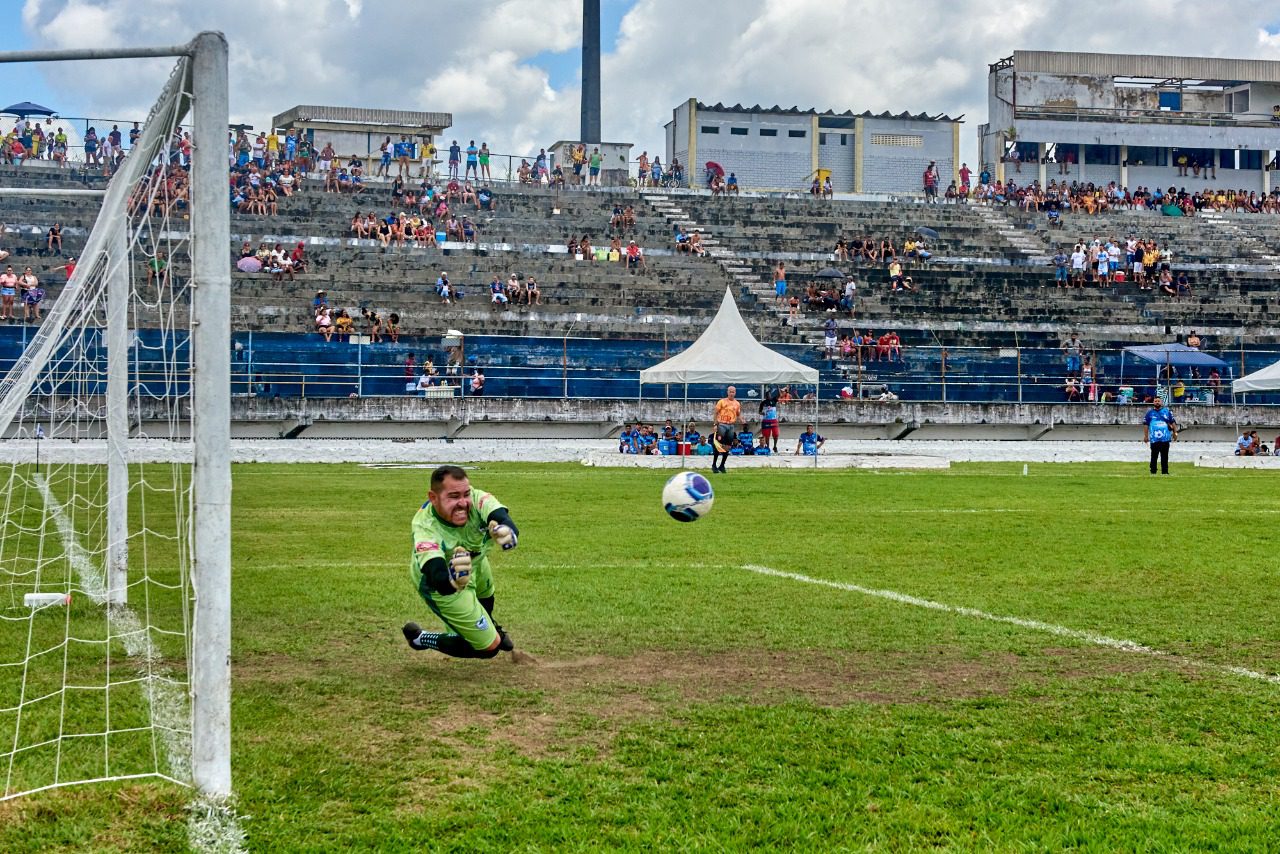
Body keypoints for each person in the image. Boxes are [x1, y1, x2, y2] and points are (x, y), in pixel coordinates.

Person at [401, 465, 530, 663]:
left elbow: (502, 518)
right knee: (489, 648)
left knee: (486, 595)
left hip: (476, 562)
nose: (463, 503)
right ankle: (420, 638)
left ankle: (488, 624)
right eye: (453, 496)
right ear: (433, 498)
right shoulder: (425, 527)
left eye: (466, 494)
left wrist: (508, 531)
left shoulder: (477, 499)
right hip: (440, 583)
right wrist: (453, 582)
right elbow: (435, 575)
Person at [710, 385, 741, 474]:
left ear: (735, 393)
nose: (731, 393)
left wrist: (742, 419)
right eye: (730, 391)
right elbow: (715, 413)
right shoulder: (722, 402)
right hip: (722, 425)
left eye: (733, 392)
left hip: (731, 425)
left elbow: (738, 414)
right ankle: (714, 465)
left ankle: (722, 465)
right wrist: (715, 424)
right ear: (727, 392)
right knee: (718, 445)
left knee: (727, 446)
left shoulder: (737, 404)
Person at [1143, 398, 1178, 475]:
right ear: (1153, 402)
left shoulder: (1167, 412)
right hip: (1154, 439)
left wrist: (1175, 433)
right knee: (1154, 456)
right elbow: (1146, 425)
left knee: (1165, 456)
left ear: (1161, 402)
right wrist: (1146, 436)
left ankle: (1165, 472)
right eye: (1156, 401)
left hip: (1165, 438)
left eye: (1159, 401)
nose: (1157, 402)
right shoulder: (1149, 413)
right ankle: (1153, 471)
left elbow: (1173, 423)